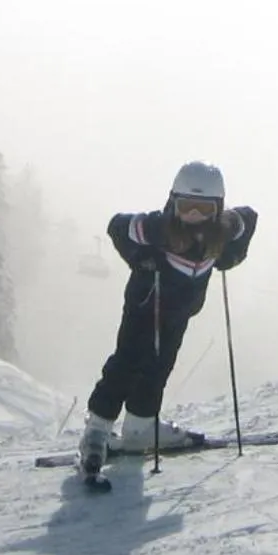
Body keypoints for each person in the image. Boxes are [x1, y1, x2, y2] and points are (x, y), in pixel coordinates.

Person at [77, 160, 257, 478]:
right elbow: (117, 226)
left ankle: (140, 426)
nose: (194, 216)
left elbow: (248, 218)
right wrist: (139, 255)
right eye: (187, 206)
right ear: (174, 202)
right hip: (146, 305)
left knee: (160, 366)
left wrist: (235, 252)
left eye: (203, 208)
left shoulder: (224, 229)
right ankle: (97, 429)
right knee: (127, 362)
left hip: (180, 311)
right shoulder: (157, 228)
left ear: (217, 207)